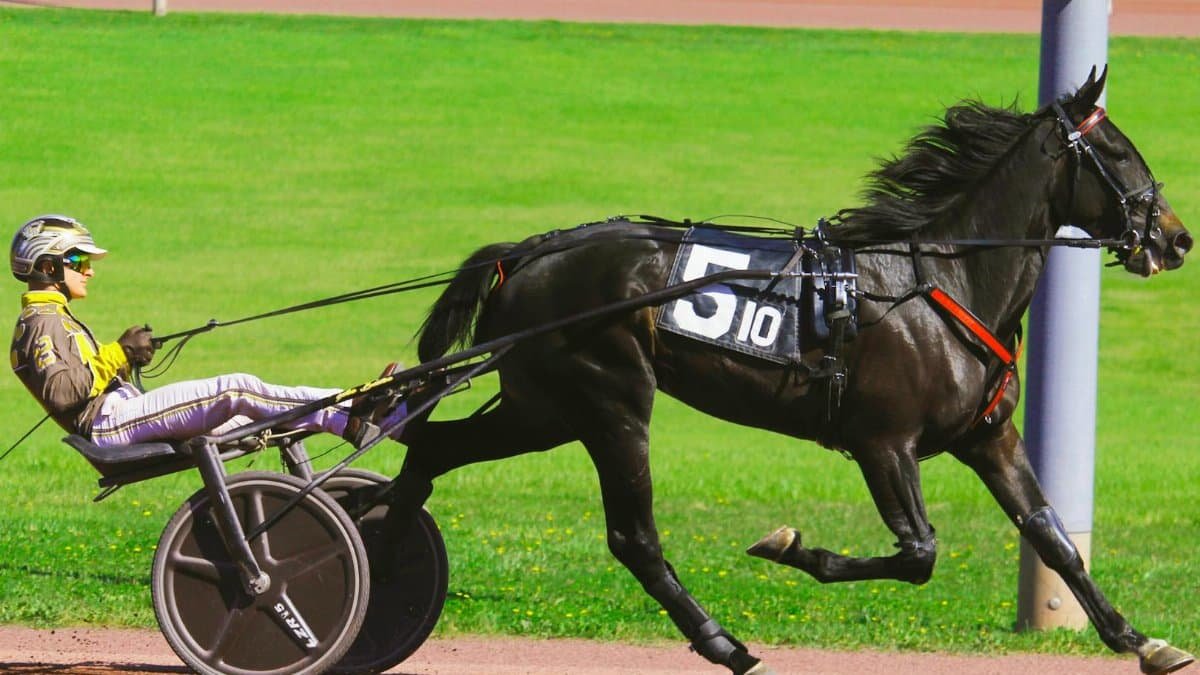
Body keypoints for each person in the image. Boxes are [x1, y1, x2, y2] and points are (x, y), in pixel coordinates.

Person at [10, 214, 406, 450]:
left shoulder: (52, 317)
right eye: (78, 261)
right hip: (108, 426)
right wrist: (118, 353)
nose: (89, 270)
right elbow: (63, 394)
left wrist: (128, 358)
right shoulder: (41, 325)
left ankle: (378, 416)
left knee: (260, 409)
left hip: (119, 414)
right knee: (237, 390)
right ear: (47, 267)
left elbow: (81, 380)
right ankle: (357, 408)